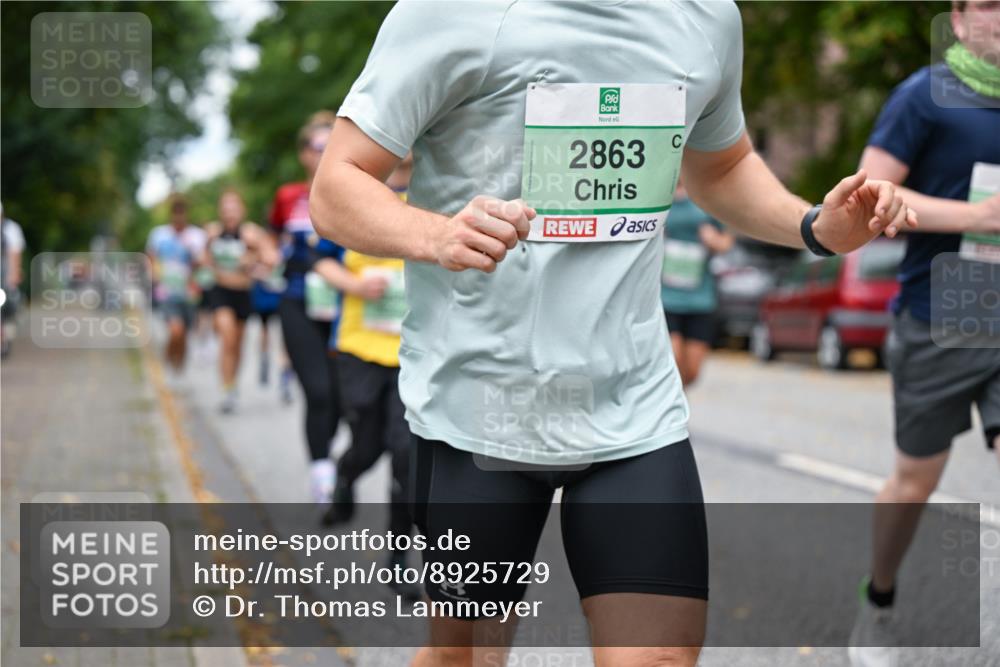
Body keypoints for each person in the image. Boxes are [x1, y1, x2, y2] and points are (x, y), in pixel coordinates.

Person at [310, 3, 915, 665]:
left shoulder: (705, 17)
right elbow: (337, 186)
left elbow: (719, 165)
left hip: (633, 407)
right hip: (481, 406)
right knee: (467, 656)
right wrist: (437, 233)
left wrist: (814, 228)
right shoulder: (451, 13)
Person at [848, 3, 1000, 666]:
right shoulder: (923, 96)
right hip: (938, 317)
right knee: (916, 478)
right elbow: (866, 201)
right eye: (990, 3)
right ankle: (878, 600)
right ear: (960, 20)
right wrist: (981, 215)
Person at [317, 155, 420, 602]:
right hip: (359, 348)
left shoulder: (433, 196)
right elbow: (318, 260)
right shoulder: (356, 191)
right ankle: (345, 473)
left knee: (405, 452)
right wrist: (354, 286)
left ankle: (398, 560)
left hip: (411, 355)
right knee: (368, 443)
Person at [270, 111, 347, 504]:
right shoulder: (288, 198)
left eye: (333, 145)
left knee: (340, 396)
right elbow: (274, 241)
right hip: (298, 301)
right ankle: (321, 471)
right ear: (304, 154)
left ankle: (335, 464)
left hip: (345, 307)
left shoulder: (357, 193)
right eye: (319, 146)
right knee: (318, 391)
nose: (326, 153)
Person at [203, 189, 271, 414]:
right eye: (225, 208)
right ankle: (225, 388)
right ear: (221, 211)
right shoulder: (213, 233)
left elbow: (269, 257)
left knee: (237, 344)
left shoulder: (251, 233)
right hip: (220, 290)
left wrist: (252, 258)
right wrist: (208, 263)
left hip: (243, 293)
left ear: (241, 211)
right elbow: (203, 259)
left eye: (234, 208)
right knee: (228, 336)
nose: (229, 213)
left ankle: (232, 386)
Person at [661, 179, 733, 386]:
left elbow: (726, 241)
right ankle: (668, 409)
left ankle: (675, 398)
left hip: (700, 299)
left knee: (692, 371)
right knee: (672, 359)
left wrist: (713, 241)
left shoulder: (704, 198)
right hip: (666, 298)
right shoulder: (658, 195)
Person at [146, 194, 206, 378]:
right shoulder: (159, 235)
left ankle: (178, 362)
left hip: (189, 293)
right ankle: (167, 360)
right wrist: (155, 274)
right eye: (176, 214)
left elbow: (203, 261)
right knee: (175, 330)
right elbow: (151, 258)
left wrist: (194, 259)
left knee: (184, 334)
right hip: (167, 292)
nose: (179, 219)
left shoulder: (196, 236)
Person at [251, 264, 294, 403]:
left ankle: (285, 378)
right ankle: (264, 359)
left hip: (283, 297)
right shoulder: (259, 245)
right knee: (264, 330)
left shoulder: (288, 246)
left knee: (285, 337)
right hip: (264, 296)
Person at [1, 202, 25, 358]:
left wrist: (13, 276)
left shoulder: (10, 229)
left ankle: (6, 335)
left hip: (4, 278)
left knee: (8, 305)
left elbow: (14, 254)